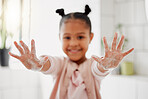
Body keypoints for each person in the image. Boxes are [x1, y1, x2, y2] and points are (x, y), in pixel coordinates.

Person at [9, 5, 134, 99]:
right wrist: (39, 64)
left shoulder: (93, 65)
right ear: (60, 38)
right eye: (67, 37)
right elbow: (50, 64)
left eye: (80, 37)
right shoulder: (61, 64)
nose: (73, 43)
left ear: (90, 37)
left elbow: (99, 69)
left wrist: (105, 65)